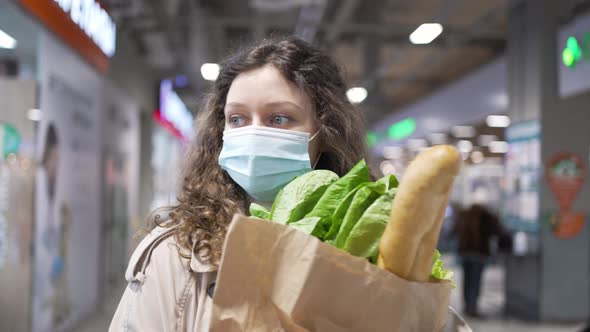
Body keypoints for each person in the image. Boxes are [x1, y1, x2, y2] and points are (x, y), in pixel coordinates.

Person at [109, 36, 368, 331]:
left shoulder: (368, 253)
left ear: (324, 132)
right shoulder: (176, 253)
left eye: (279, 118)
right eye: (237, 119)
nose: (254, 132)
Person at [454, 204, 511, 318]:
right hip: (479, 252)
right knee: (475, 281)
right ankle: (472, 308)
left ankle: (468, 306)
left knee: (467, 280)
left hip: (466, 252)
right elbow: (497, 231)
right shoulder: (486, 217)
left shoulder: (465, 216)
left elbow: (455, 230)